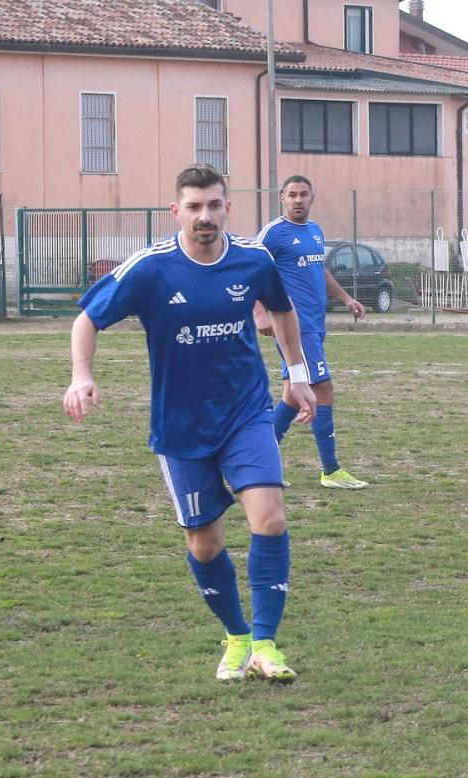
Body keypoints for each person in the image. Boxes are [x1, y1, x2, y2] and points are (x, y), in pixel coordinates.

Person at [63, 164, 314, 682]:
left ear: (228, 207)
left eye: (214, 205)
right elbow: (87, 317)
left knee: (270, 518)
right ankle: (238, 636)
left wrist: (297, 372)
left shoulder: (253, 259)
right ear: (176, 211)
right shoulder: (151, 268)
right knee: (204, 542)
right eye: (194, 207)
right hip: (180, 426)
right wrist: (80, 375)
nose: (205, 216)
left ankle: (267, 644)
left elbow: (282, 310)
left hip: (246, 412)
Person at [255, 175, 369, 490]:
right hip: (295, 327)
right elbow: (247, 268)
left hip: (314, 326)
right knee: (323, 389)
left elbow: (320, 270)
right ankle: (331, 470)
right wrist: (259, 312)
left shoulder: (315, 231)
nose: (298, 200)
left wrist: (346, 298)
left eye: (303, 194)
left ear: (312, 197)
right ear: (281, 197)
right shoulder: (273, 233)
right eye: (292, 194)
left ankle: (255, 465)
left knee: (293, 394)